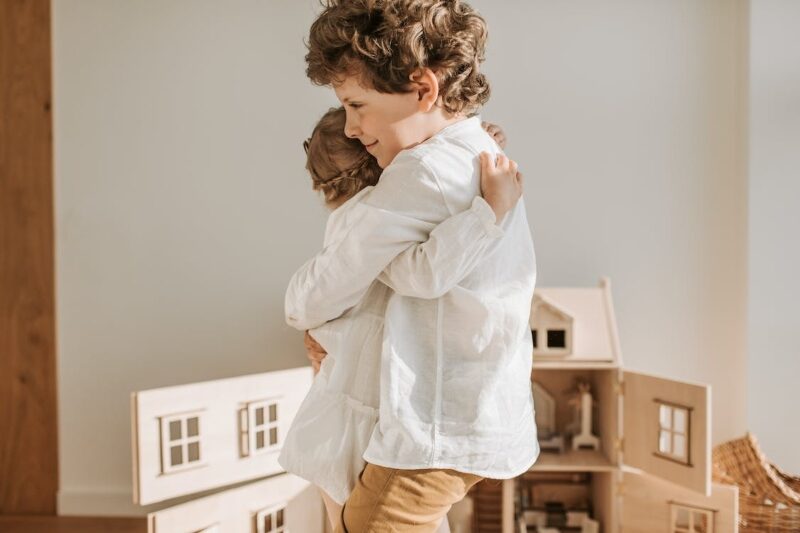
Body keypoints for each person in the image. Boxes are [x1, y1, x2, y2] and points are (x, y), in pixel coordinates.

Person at [279, 106, 520, 532]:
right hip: (357, 402)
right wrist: (489, 210)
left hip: (350, 402)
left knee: (359, 518)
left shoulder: (365, 215)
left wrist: (474, 147)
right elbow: (425, 270)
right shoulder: (370, 217)